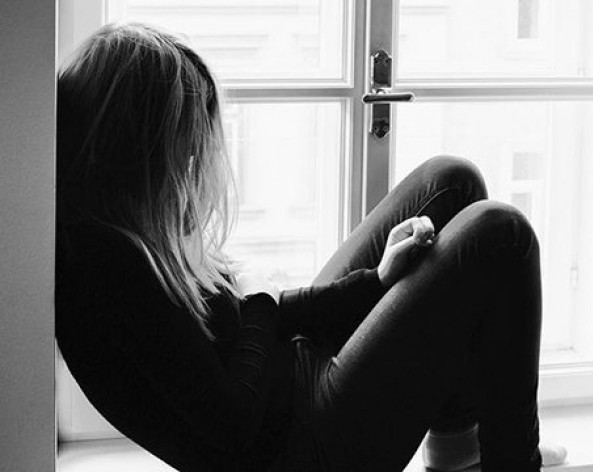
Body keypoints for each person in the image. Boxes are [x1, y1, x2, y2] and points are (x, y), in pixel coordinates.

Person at [56, 23, 560, 472]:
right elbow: (233, 424)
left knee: (449, 181)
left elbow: (247, 325)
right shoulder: (107, 271)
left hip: (296, 378)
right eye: (184, 152)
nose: (193, 168)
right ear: (137, 154)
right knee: (501, 233)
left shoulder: (123, 233)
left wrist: (376, 282)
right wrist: (258, 298)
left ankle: (456, 445)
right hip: (305, 448)